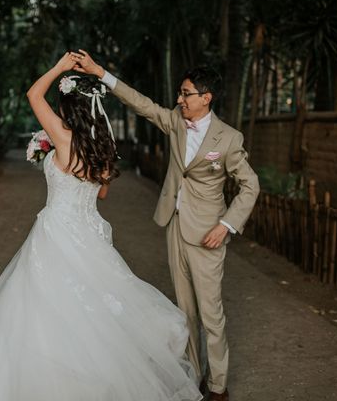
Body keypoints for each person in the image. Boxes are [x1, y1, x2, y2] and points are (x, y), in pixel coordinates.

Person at [0, 52, 202, 401]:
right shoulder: (104, 148)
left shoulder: (63, 137)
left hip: (55, 232)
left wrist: (57, 68)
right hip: (89, 235)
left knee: (41, 311)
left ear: (68, 106)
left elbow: (32, 95)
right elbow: (101, 194)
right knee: (93, 313)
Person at [72, 50, 260, 401]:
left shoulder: (229, 139)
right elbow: (142, 104)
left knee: (211, 314)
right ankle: (195, 378)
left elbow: (251, 185)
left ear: (206, 97)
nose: (179, 99)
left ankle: (218, 387)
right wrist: (100, 73)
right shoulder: (175, 120)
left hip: (209, 234)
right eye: (179, 93)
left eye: (186, 93)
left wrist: (227, 225)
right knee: (184, 311)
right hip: (175, 226)